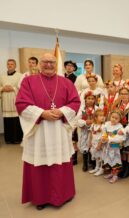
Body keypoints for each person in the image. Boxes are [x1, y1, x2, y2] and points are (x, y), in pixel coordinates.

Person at [15, 53, 80, 210]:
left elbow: (75, 101)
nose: (48, 65)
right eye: (45, 62)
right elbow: (21, 103)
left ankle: (63, 194)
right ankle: (41, 197)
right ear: (39, 64)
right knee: (40, 163)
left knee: (60, 163)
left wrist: (62, 111)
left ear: (56, 63)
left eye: (52, 62)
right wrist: (41, 113)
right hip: (39, 130)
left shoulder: (65, 82)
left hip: (59, 129)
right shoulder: (28, 81)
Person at [113, 86, 129, 178]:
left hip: (127, 131)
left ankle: (128, 169)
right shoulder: (118, 105)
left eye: (125, 94)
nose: (123, 96)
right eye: (121, 94)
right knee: (122, 151)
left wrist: (124, 131)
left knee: (128, 151)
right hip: (118, 131)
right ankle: (123, 167)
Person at [0, 59, 23, 144]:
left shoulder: (20, 76)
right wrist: (2, 88)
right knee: (7, 120)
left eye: (12, 64)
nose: (10, 66)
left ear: (15, 66)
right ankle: (8, 139)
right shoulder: (2, 76)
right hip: (6, 100)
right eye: (8, 64)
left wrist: (13, 88)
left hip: (15, 99)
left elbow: (22, 88)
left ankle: (17, 138)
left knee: (16, 120)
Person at [102, 109, 126, 183]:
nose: (114, 119)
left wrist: (109, 138)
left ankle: (115, 175)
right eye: (112, 117)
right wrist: (103, 138)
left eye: (116, 118)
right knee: (109, 160)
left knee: (115, 161)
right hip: (107, 147)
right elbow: (104, 133)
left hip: (114, 147)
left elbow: (121, 138)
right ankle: (111, 173)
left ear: (119, 119)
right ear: (110, 116)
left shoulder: (120, 127)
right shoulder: (107, 124)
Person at [77, 91, 98, 172]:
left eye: (92, 99)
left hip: (93, 131)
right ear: (85, 100)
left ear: (95, 100)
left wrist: (94, 122)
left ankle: (92, 162)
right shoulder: (82, 108)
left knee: (92, 145)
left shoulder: (97, 108)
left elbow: (100, 118)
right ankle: (85, 163)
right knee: (85, 145)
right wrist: (85, 122)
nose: (90, 100)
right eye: (88, 98)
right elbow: (77, 119)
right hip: (85, 130)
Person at [64, 60, 78, 165]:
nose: (69, 67)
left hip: (71, 105)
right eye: (67, 65)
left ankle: (74, 156)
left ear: (74, 68)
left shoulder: (76, 78)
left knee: (72, 130)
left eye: (71, 66)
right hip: (61, 105)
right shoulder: (60, 76)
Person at [88, 109, 106, 176]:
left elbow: (103, 137)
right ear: (95, 117)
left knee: (101, 157)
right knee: (96, 156)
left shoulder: (103, 126)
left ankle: (101, 169)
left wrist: (99, 145)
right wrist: (90, 142)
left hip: (100, 144)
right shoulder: (93, 125)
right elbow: (91, 134)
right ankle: (96, 167)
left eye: (103, 116)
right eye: (100, 116)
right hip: (94, 144)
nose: (102, 117)